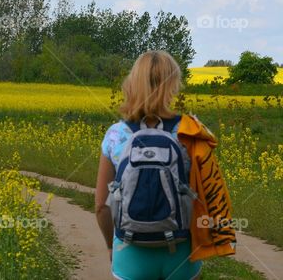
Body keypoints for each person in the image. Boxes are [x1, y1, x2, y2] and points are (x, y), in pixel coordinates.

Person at [95, 50, 236, 280]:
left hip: (129, 251)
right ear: (173, 85)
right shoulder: (190, 132)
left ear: (132, 84)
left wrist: (112, 245)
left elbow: (101, 206)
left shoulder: (115, 135)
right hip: (182, 252)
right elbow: (207, 194)